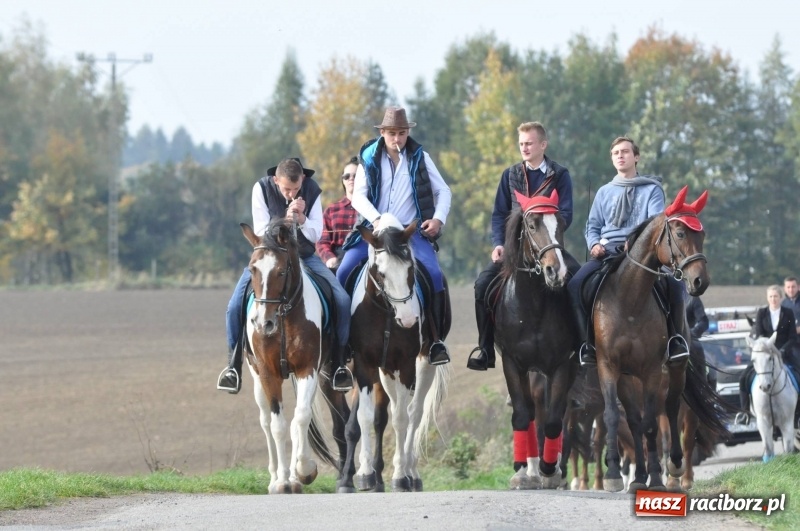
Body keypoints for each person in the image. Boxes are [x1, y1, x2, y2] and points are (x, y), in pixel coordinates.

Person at [217, 158, 354, 394]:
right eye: (286, 189)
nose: (291, 193)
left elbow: (316, 233)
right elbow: (260, 231)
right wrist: (285, 218)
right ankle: (233, 365)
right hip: (270, 256)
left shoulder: (312, 189)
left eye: (295, 188)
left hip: (305, 255)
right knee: (234, 305)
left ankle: (340, 363)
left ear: (303, 180)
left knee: (341, 299)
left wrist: (301, 220)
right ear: (275, 181)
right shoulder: (261, 188)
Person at [336, 106, 452, 365]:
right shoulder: (368, 157)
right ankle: (341, 343)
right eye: (391, 133)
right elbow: (358, 196)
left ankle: (435, 341)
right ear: (383, 133)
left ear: (407, 132)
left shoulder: (421, 157)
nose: (396, 138)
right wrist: (376, 220)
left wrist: (437, 219)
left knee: (433, 275)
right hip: (375, 234)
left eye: (401, 133)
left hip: (409, 234)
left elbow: (443, 191)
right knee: (343, 273)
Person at [566, 136, 690, 367]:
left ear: (636, 157)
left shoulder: (652, 189)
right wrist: (594, 244)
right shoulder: (604, 192)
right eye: (616, 153)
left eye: (625, 152)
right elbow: (592, 226)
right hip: (608, 252)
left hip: (641, 253)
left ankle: (675, 339)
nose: (620, 156)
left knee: (674, 284)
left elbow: (655, 222)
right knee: (575, 285)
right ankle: (586, 343)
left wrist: (634, 243)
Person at [467, 121, 578, 371]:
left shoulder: (560, 175)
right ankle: (485, 349)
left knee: (580, 284)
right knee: (482, 285)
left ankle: (583, 348)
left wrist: (547, 239)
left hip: (549, 247)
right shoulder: (510, 175)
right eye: (521, 144)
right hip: (514, 252)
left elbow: (566, 213)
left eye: (529, 143)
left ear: (543, 144)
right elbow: (499, 214)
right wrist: (498, 244)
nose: (524, 148)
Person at [737, 285, 800, 424]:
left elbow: (792, 337)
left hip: (785, 352)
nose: (773, 299)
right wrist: (766, 350)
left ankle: (798, 414)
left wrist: (782, 351)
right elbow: (759, 334)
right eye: (771, 296)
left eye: (776, 296)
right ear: (767, 298)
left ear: (780, 297)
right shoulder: (762, 313)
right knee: (743, 378)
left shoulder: (788, 313)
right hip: (764, 354)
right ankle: (744, 413)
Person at [317, 157, 360, 272]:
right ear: (343, 180)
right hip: (338, 259)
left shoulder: (372, 209)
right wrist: (329, 258)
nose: (351, 179)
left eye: (355, 176)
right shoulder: (331, 210)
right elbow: (322, 241)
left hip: (365, 257)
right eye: (347, 176)